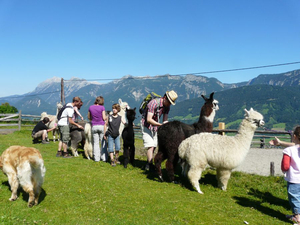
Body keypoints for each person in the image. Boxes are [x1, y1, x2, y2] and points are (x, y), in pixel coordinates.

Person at [141, 90, 178, 171]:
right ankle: (150, 164)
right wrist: (160, 125)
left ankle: (149, 162)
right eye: (169, 102)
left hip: (155, 126)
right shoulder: (153, 103)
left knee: (154, 145)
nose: (169, 104)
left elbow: (165, 119)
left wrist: (166, 126)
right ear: (165, 98)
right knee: (150, 145)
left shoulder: (167, 106)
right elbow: (149, 119)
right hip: (146, 125)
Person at [281, 126, 300, 223]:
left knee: (295, 198)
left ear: (295, 136)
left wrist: (283, 170)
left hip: (294, 179)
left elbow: (285, 165)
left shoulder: (289, 150)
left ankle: (297, 217)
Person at [88, 96, 107, 162]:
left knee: (95, 143)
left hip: (94, 126)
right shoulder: (102, 107)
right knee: (103, 142)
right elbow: (104, 118)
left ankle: (96, 158)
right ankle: (104, 157)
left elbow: (89, 117)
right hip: (101, 126)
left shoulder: (90, 107)